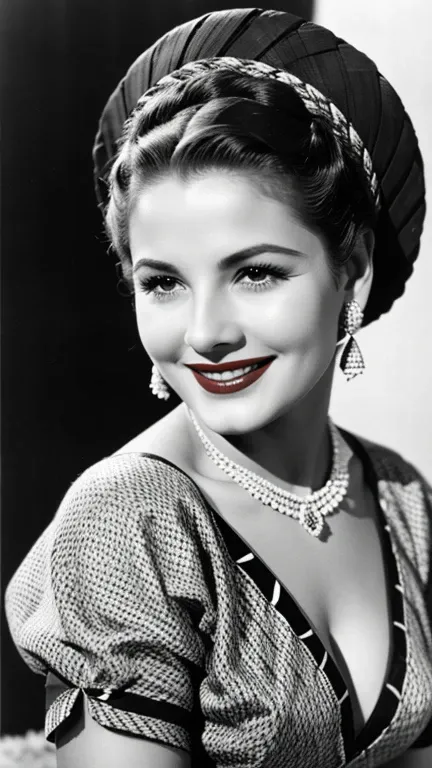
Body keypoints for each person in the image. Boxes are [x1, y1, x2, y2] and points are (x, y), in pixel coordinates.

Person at [4, 8, 432, 768]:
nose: (206, 332)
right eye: (163, 282)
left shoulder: (403, 500)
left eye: (256, 272)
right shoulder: (127, 523)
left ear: (354, 272)